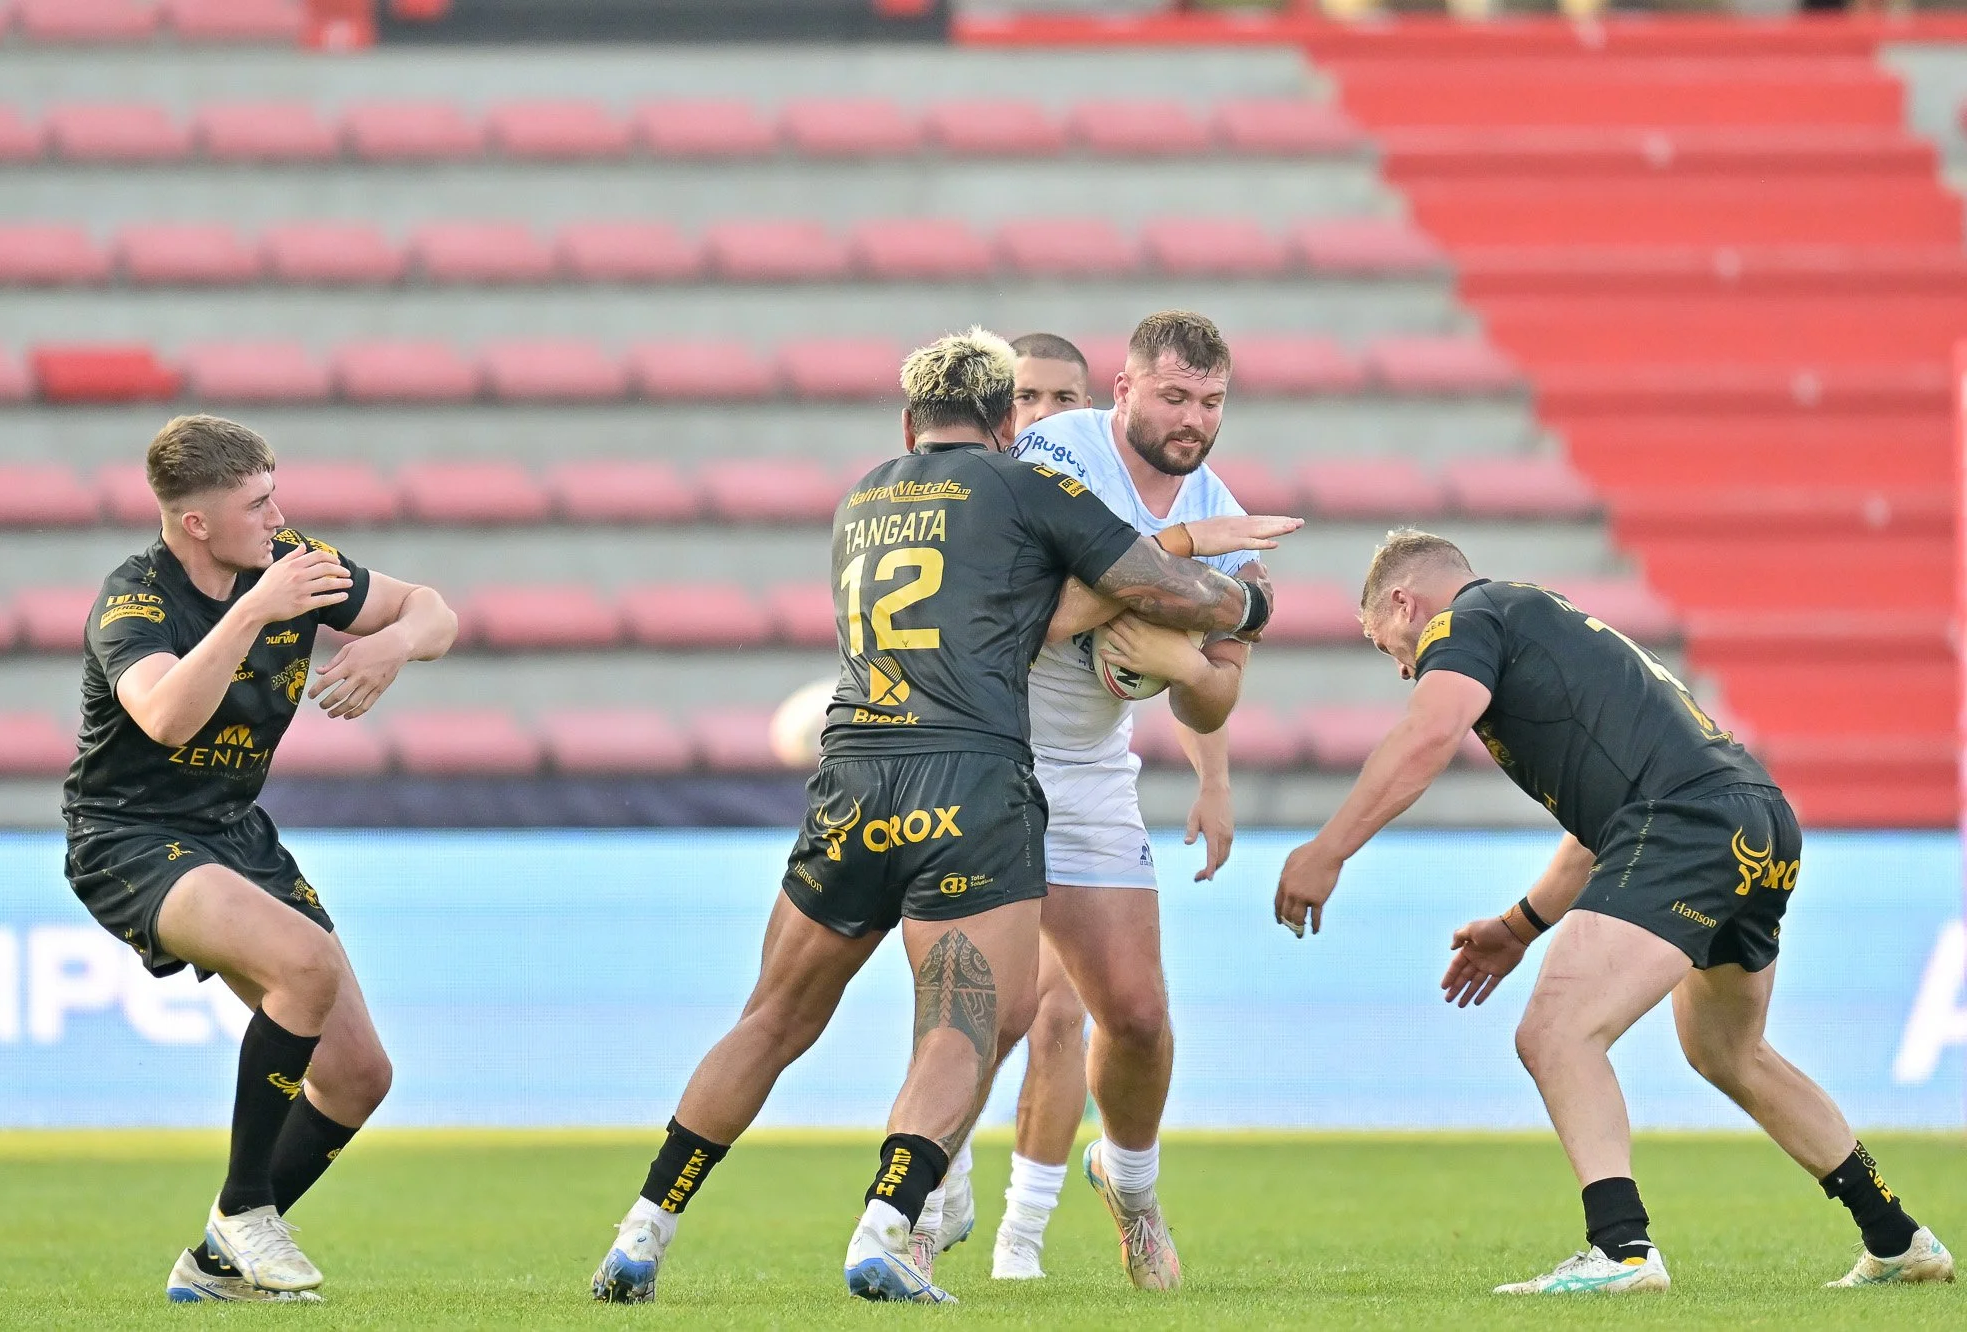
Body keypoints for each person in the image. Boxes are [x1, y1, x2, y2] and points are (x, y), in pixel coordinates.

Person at [591, 329, 1293, 1306]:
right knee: (966, 1024)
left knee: (774, 1016)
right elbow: (1142, 589)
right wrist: (1246, 607)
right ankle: (894, 1226)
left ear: (907, 423)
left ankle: (641, 1230)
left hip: (854, 772)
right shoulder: (1031, 482)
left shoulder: (861, 499)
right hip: (971, 776)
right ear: (1007, 422)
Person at [1272, 529, 1954, 1295]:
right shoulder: (1545, 627)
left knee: (1557, 1032)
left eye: (1386, 646)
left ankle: (1621, 1250)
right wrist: (1518, 927)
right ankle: (1896, 1237)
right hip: (1754, 819)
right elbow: (1599, 835)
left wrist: (1330, 848)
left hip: (1685, 825)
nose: (1404, 668)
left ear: (1405, 603)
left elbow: (1430, 732)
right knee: (1727, 1051)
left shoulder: (1464, 621)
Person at [63, 414, 457, 1302]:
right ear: (195, 522)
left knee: (358, 1077)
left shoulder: (294, 563)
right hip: (128, 834)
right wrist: (252, 611)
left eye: (275, 494)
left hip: (234, 832)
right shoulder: (133, 602)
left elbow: (435, 610)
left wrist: (392, 643)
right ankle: (244, 1211)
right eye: (257, 504)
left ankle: (213, 1270)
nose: (278, 517)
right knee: (305, 965)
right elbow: (166, 718)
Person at [928, 313, 1263, 1289]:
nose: (1193, 419)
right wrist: (1168, 568)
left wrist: (1185, 670)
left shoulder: (1228, 516)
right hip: (986, 753)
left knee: (1139, 1016)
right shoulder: (1055, 452)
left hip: (1088, 773)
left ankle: (1131, 1188)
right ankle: (923, 1204)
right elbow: (1027, 614)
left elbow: (1215, 693)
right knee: (992, 1008)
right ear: (1124, 390)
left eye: (1210, 402)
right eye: (1174, 396)